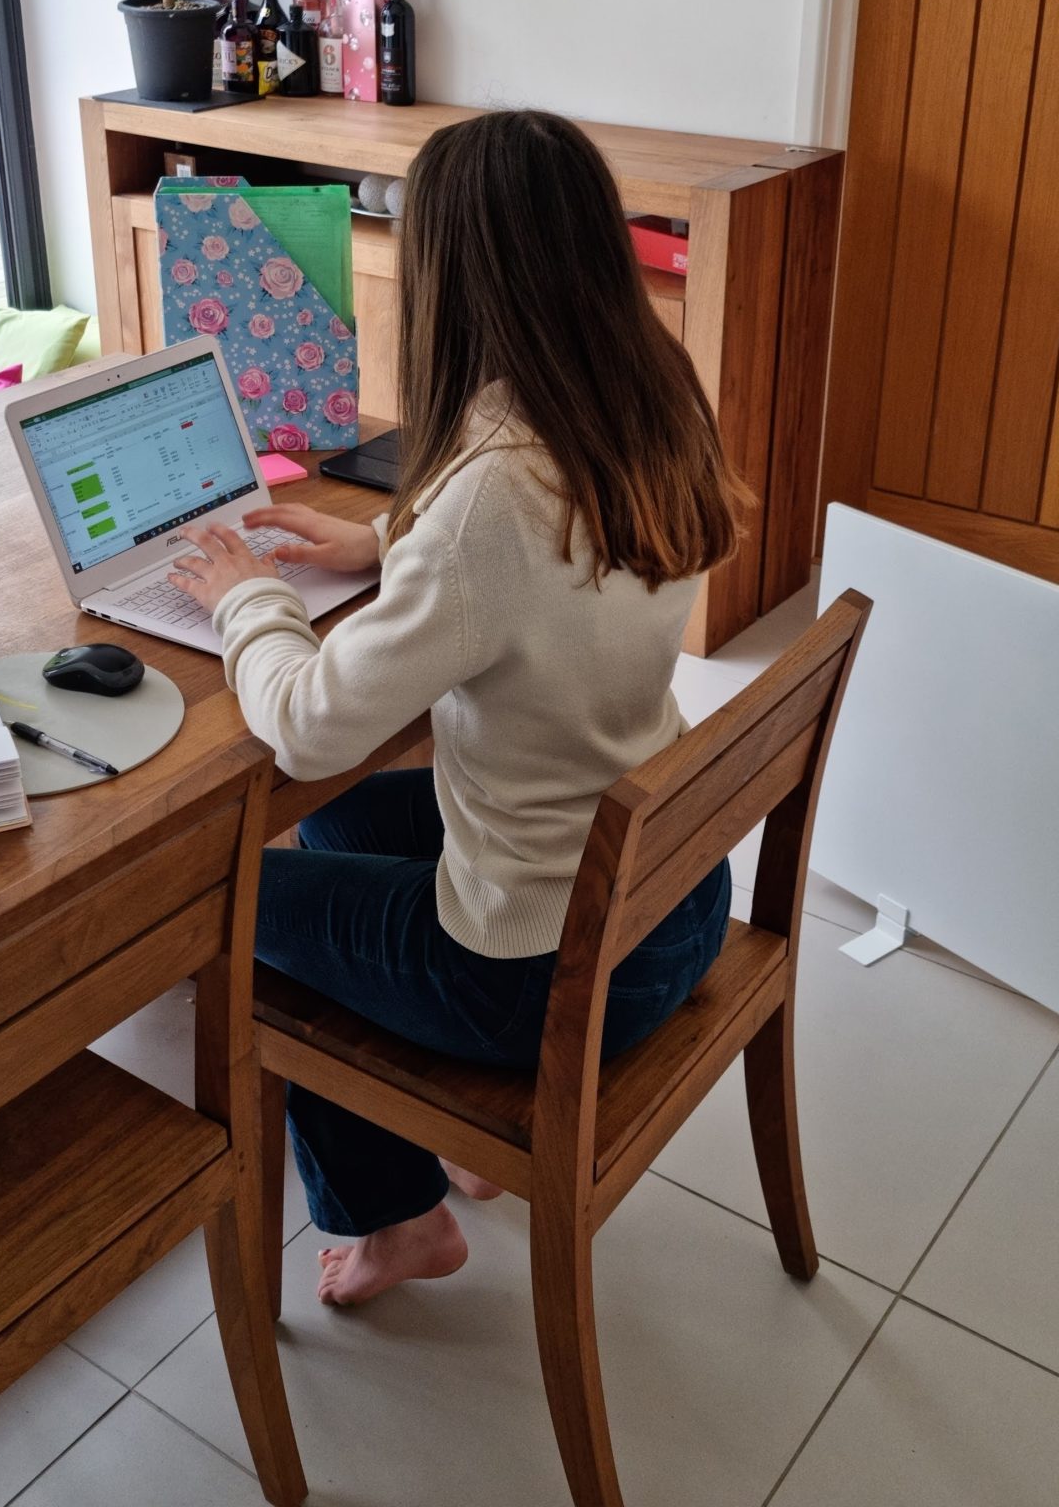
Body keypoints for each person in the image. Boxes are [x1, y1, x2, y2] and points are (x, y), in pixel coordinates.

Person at [168, 108, 746, 1307]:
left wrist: (243, 599)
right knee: (335, 826)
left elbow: (312, 722)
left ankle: (397, 1222)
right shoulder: (649, 398)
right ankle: (456, 1155)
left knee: (238, 906)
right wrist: (384, 540)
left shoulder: (489, 497)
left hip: (546, 966)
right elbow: (541, 563)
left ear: (452, 273)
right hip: (673, 894)